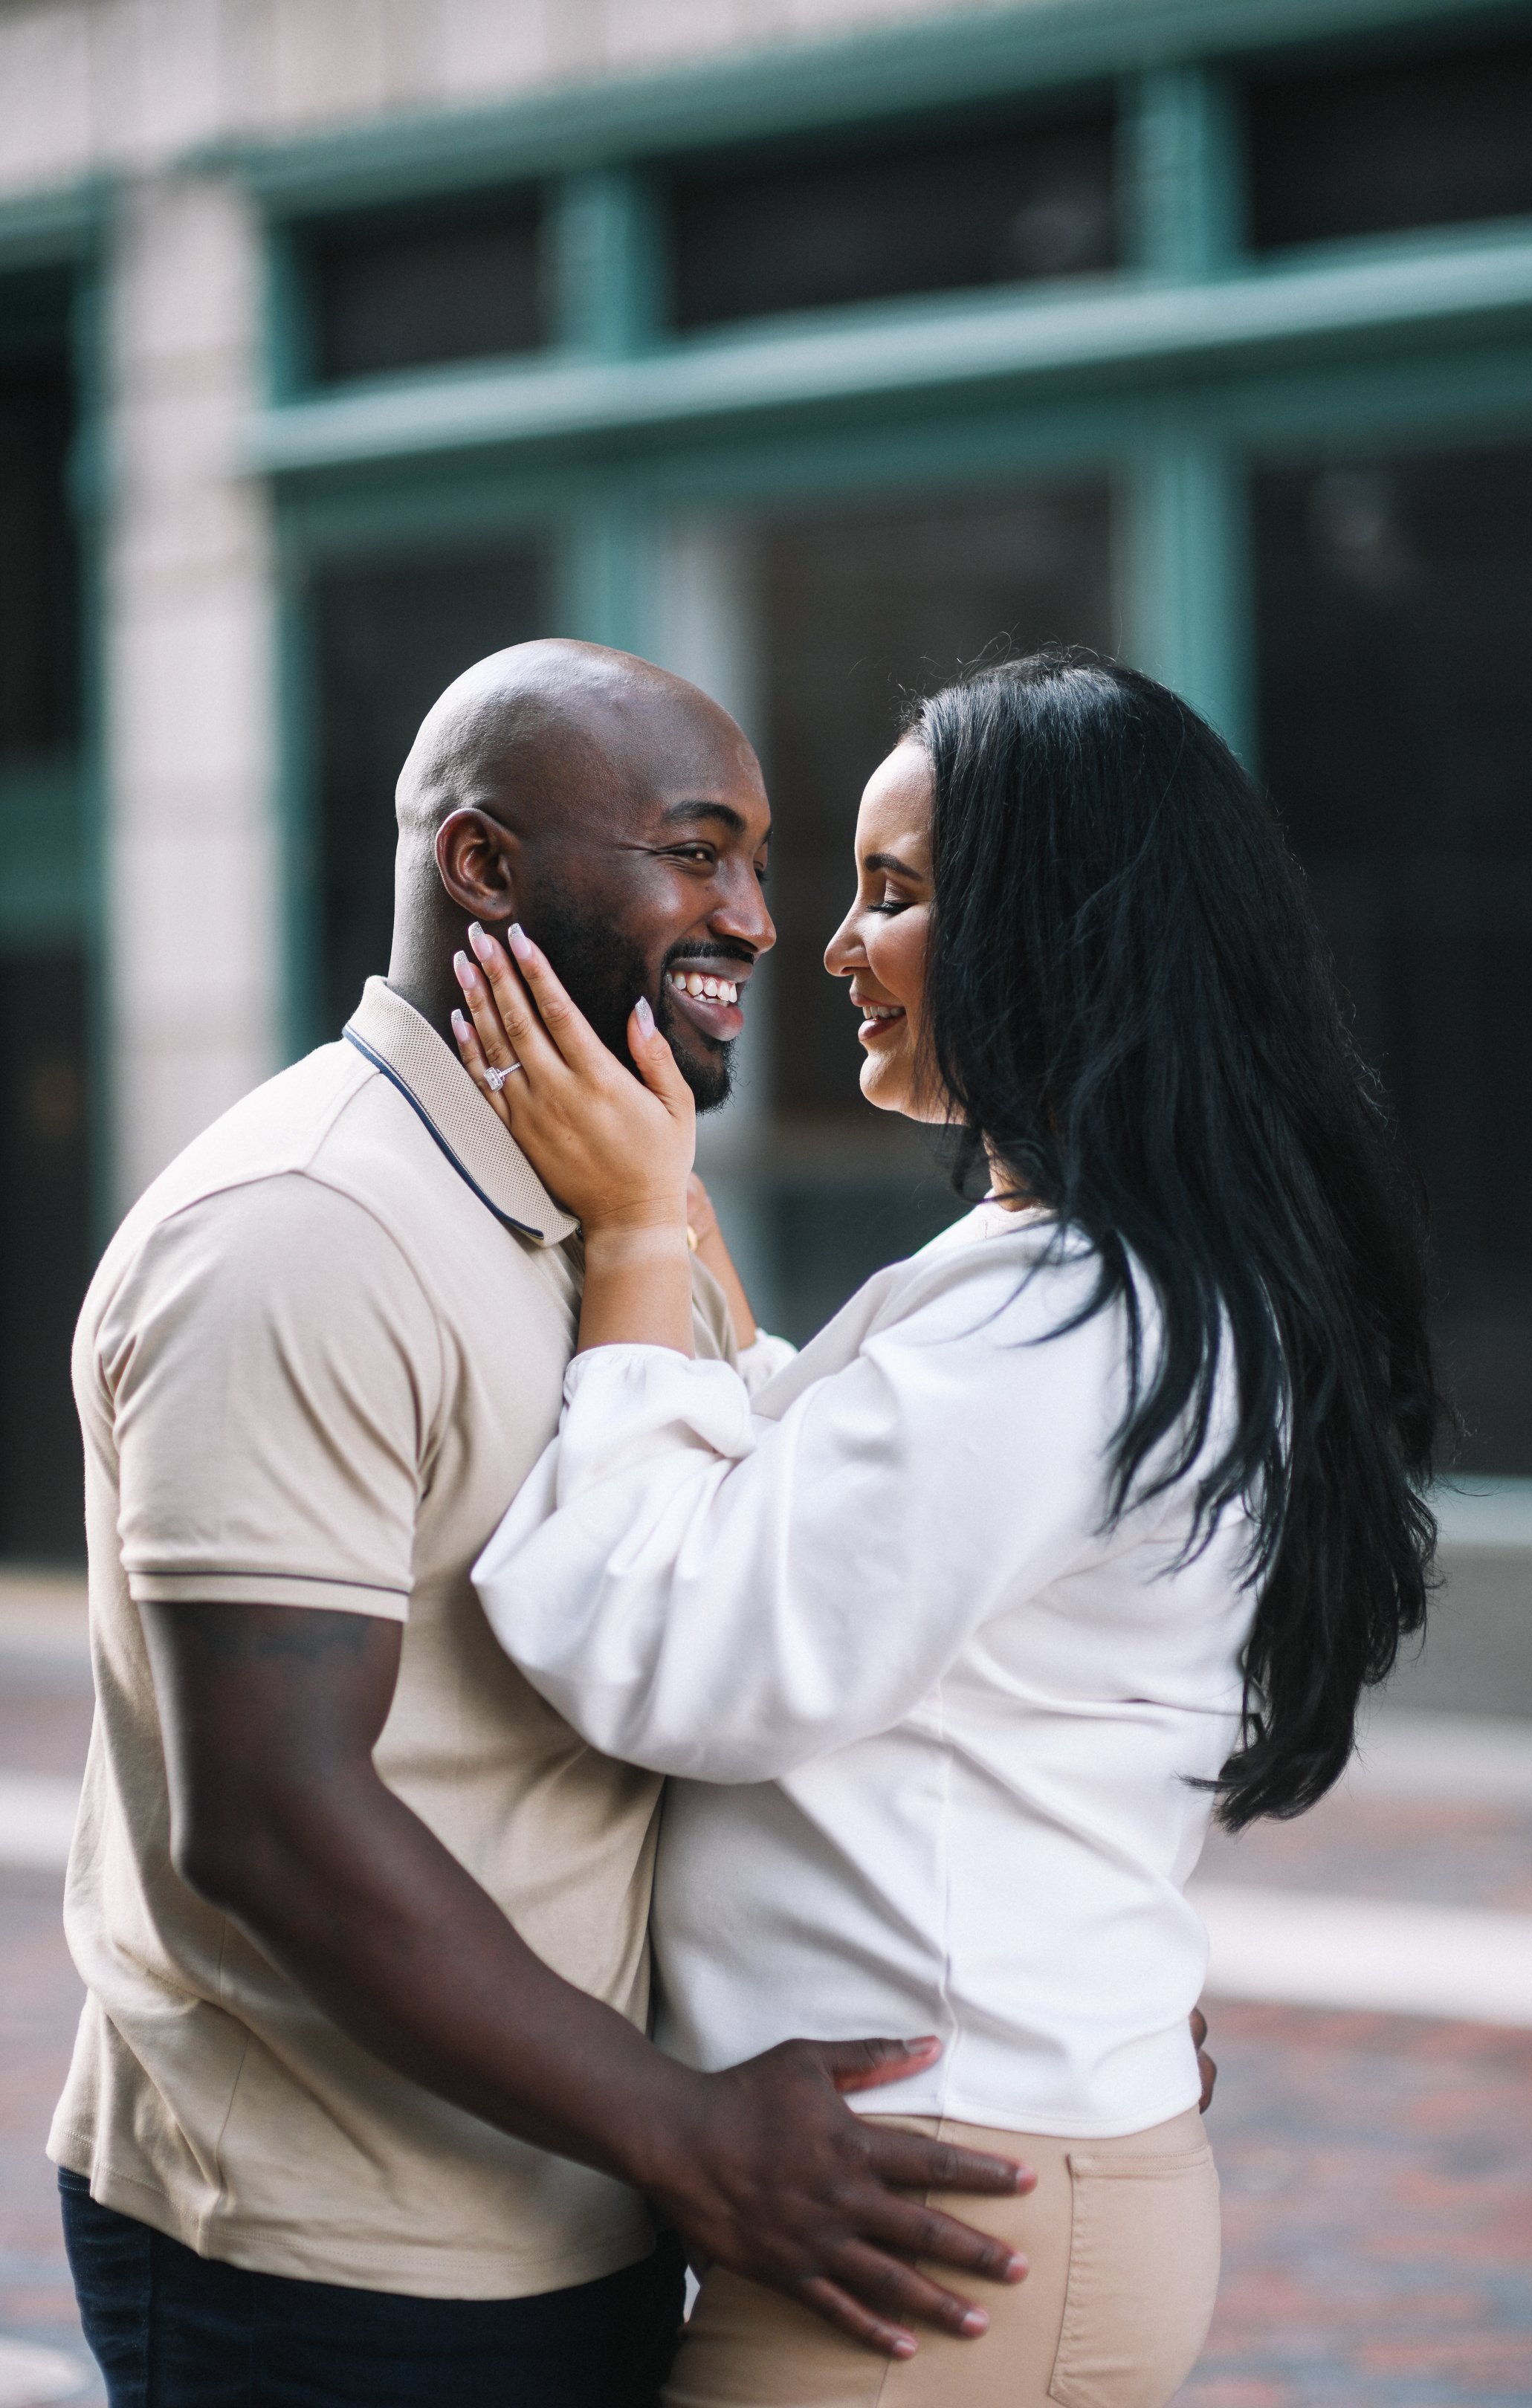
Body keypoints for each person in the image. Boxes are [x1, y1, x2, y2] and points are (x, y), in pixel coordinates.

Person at [53, 639, 1041, 2408]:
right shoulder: (303, 1229)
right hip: (336, 2259)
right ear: (485, 869)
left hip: (591, 2203)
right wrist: (690, 2133)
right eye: (694, 849)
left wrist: (1061, 1956)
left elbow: (760, 1606)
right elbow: (274, 1817)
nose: (754, 917)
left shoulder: (617, 1193)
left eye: (759, 858)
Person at [451, 649, 1444, 2407]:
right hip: (994, 2186)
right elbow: (856, 1505)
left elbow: (686, 1652)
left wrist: (621, 1251)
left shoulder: (1071, 1314)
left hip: (949, 2224)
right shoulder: (1102, 1278)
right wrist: (672, 1233)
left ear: (1060, 934)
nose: (829, 942)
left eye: (894, 895)